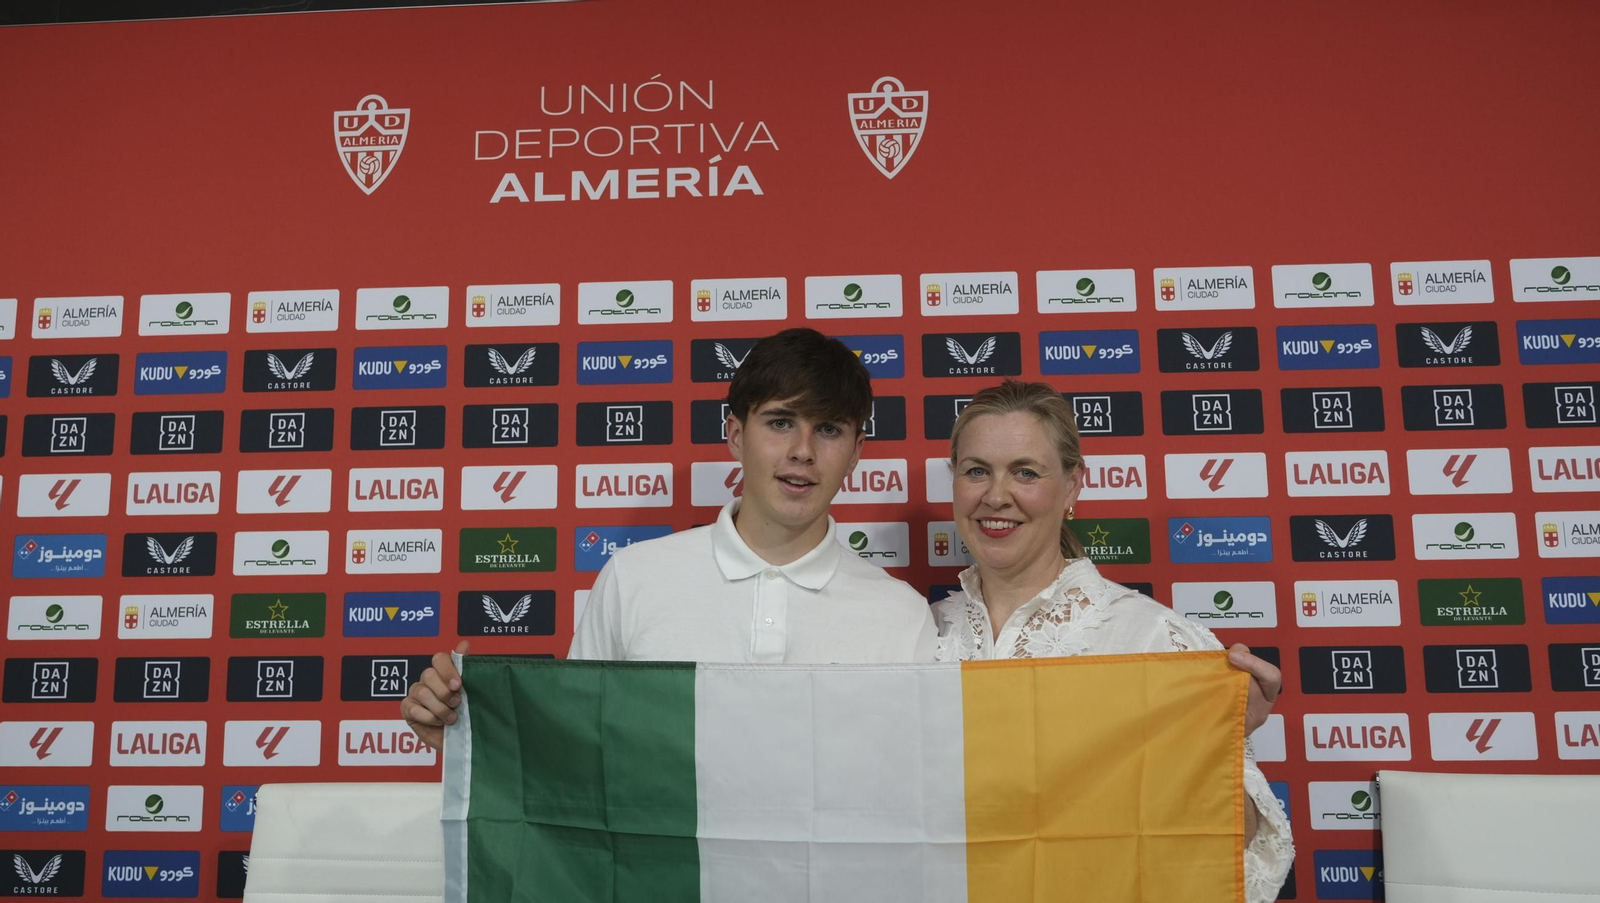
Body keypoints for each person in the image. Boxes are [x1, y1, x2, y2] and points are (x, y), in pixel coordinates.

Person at [402, 327, 937, 749]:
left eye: (829, 429)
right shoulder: (634, 579)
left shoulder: (900, 614)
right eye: (780, 423)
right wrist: (467, 736)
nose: (802, 450)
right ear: (735, 435)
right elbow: (573, 754)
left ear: (856, 452)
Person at [931, 379, 1294, 902]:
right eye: (976, 471)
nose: (996, 496)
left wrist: (1217, 738)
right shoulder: (920, 634)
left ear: (1072, 485)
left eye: (1025, 472)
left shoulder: (1156, 639)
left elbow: (1232, 857)